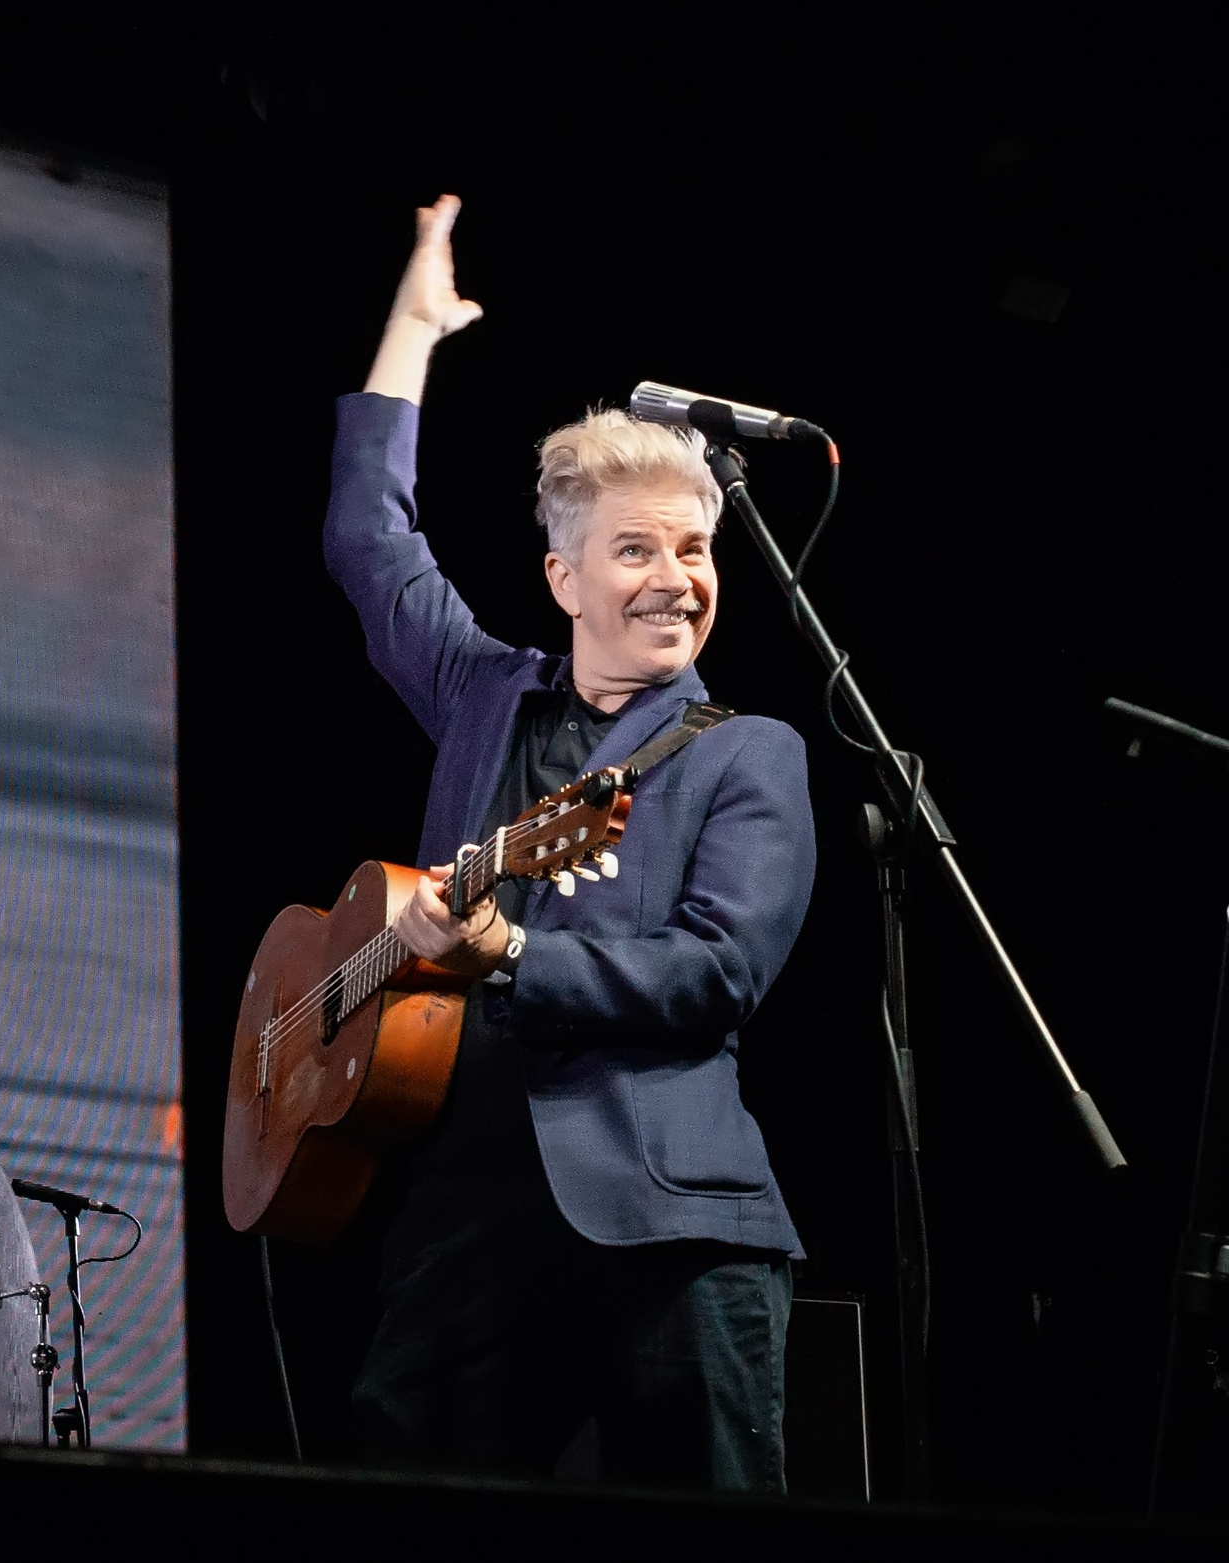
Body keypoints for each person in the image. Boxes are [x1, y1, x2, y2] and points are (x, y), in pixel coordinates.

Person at [326, 195, 815, 1490]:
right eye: (637, 547)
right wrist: (414, 330)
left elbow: (717, 971)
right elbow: (370, 539)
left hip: (671, 1218)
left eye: (697, 548)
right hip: (468, 1217)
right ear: (564, 576)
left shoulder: (743, 751)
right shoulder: (483, 688)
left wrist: (512, 953)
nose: (676, 575)